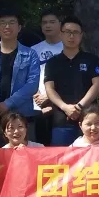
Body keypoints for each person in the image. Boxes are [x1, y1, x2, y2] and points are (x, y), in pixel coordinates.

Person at [0, 8, 41, 147]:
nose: (7, 26)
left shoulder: (31, 54)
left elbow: (32, 84)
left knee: (25, 156)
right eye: (3, 23)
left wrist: (7, 104)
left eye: (11, 22)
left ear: (19, 27)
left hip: (23, 118)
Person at [44, 16, 99, 146]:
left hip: (89, 120)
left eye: (75, 32)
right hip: (61, 120)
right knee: (62, 157)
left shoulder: (92, 59)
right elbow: (49, 89)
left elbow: (97, 85)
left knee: (91, 157)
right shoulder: (53, 62)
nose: (71, 36)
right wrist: (65, 107)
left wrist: (79, 106)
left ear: (81, 36)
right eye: (67, 32)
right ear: (60, 34)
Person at [31, 8, 64, 145]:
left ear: (60, 24)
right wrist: (37, 95)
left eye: (52, 22)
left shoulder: (68, 47)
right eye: (44, 23)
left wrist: (50, 98)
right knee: (40, 145)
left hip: (62, 106)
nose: (48, 25)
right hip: (38, 105)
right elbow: (29, 77)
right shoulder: (33, 50)